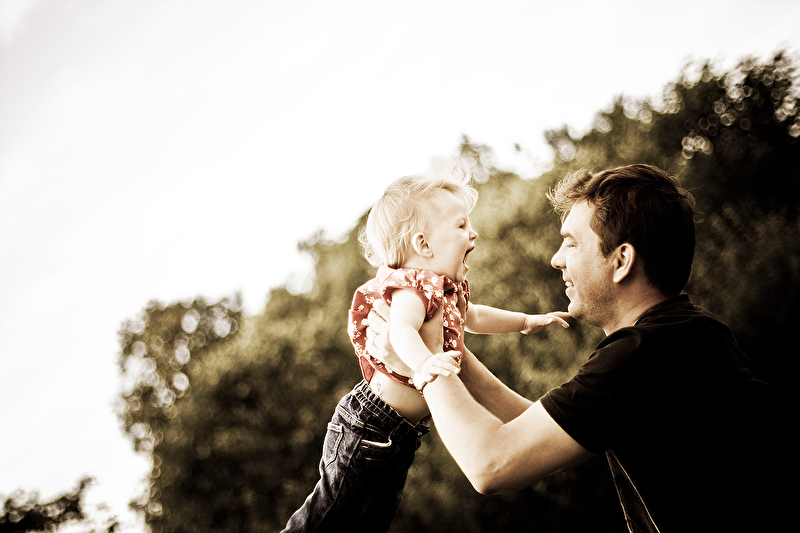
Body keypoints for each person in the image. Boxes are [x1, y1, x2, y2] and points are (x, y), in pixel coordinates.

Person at [367, 163, 798, 532]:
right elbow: (533, 429)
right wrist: (446, 347)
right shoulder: (683, 336)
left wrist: (423, 363)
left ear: (621, 260)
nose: (556, 258)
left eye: (571, 242)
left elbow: (490, 463)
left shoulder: (645, 353)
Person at [281, 157, 570, 532]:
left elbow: (475, 317)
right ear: (424, 244)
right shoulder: (411, 288)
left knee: (369, 522)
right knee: (328, 518)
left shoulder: (447, 291)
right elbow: (400, 332)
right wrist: (424, 364)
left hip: (398, 432)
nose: (473, 234)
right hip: (370, 424)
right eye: (461, 225)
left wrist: (525, 321)